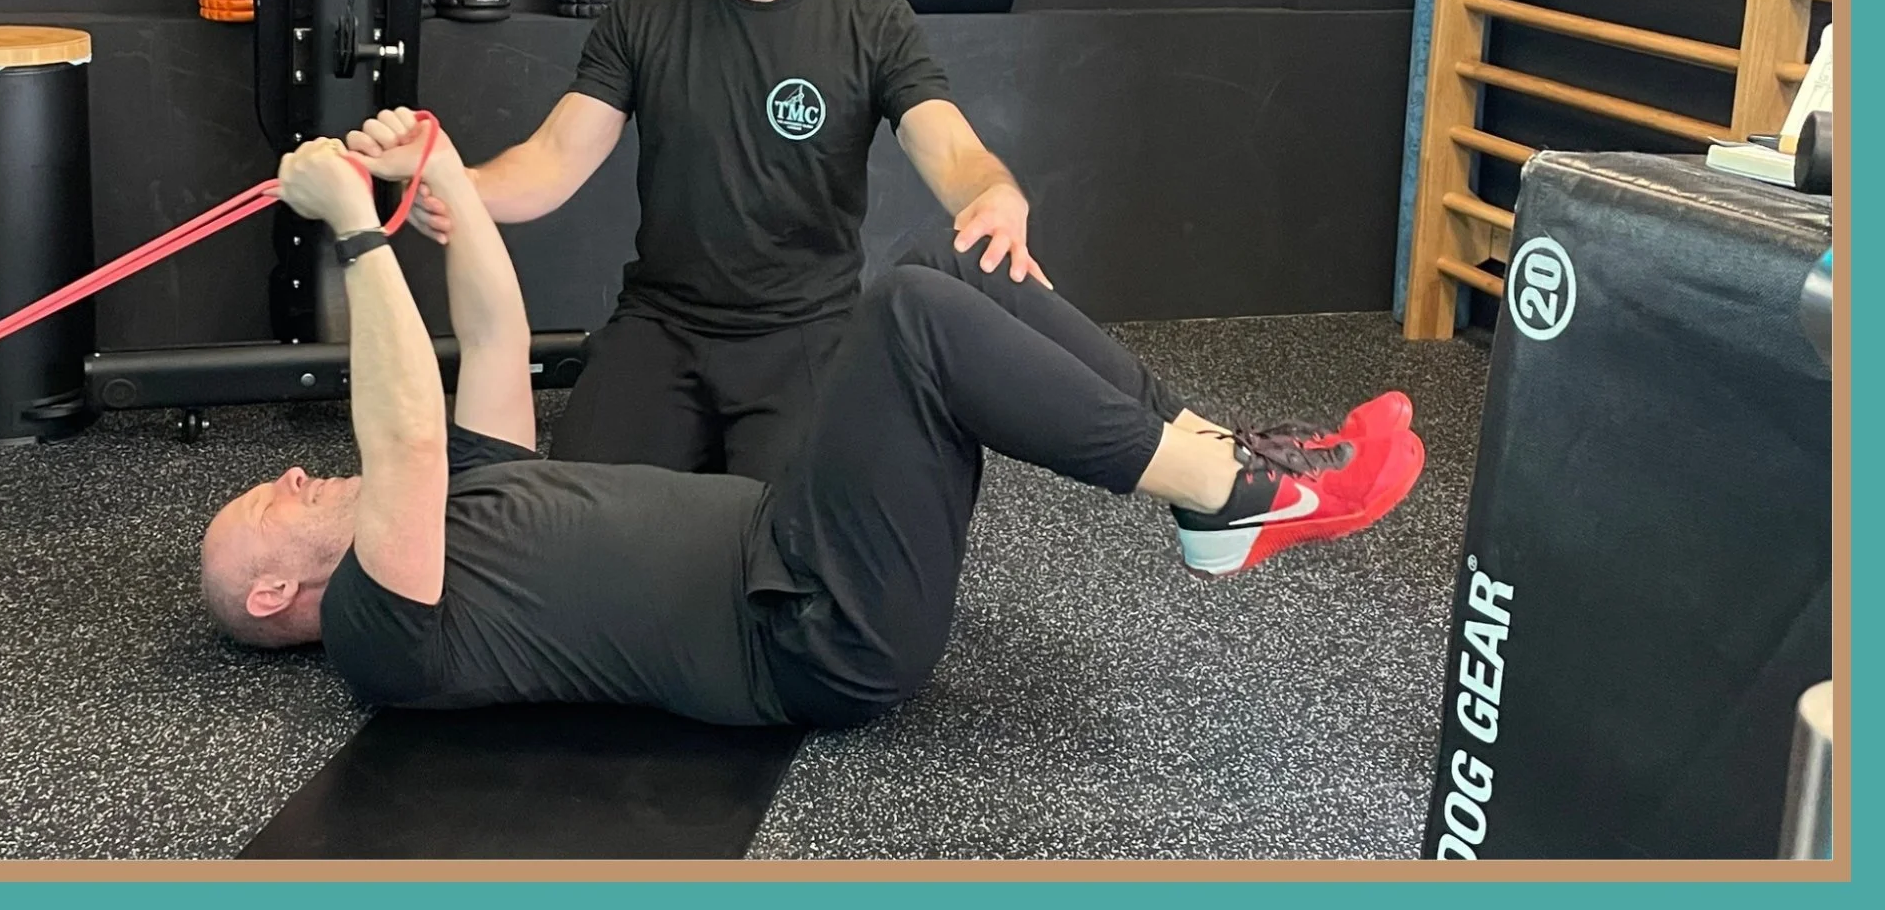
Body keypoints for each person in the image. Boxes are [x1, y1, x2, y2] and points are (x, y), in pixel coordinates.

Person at [199, 110, 1427, 729]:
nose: (296, 476)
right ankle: (1232, 498)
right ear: (273, 596)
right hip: (815, 634)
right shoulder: (376, 631)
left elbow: (499, 336)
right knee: (906, 315)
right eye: (272, 501)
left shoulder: (469, 489)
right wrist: (351, 224)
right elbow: (397, 435)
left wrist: (441, 169)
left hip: (801, 540)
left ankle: (1224, 457)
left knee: (958, 260)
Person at [398, 0, 1040, 481]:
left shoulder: (872, 20)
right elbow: (555, 157)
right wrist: (456, 184)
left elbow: (948, 146)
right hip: (664, 322)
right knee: (582, 517)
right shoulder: (646, 12)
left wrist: (993, 195)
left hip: (805, 329)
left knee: (792, 536)